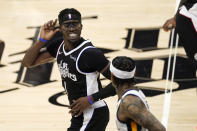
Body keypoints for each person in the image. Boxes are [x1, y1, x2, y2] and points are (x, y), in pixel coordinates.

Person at [22, 8, 116, 131]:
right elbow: (27, 63)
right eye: (67, 25)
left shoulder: (90, 53)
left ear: (81, 26)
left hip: (93, 113)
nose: (72, 28)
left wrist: (90, 99)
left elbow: (121, 82)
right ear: (60, 28)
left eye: (75, 24)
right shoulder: (58, 46)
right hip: (79, 114)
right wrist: (41, 40)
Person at [110, 56, 166, 131]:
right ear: (134, 74)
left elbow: (160, 129)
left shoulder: (129, 102)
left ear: (112, 77)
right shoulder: (131, 93)